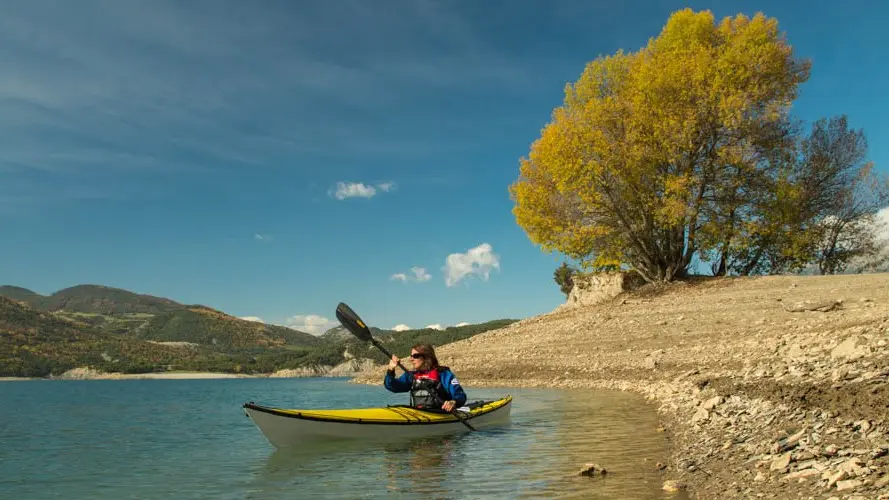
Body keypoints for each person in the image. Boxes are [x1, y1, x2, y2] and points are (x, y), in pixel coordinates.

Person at [383, 343, 467, 412]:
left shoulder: (443, 374)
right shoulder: (411, 376)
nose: (411, 359)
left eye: (415, 356)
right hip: (419, 414)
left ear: (427, 357)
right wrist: (391, 369)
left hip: (441, 414)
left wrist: (453, 402)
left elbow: (460, 395)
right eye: (411, 356)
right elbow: (393, 386)